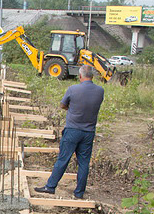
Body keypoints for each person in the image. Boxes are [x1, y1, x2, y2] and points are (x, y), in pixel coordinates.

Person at [34, 65, 105, 200]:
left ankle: (50, 186)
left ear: (80, 76)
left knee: (63, 159)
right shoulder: (100, 91)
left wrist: (71, 108)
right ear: (93, 76)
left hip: (73, 130)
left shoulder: (73, 89)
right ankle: (79, 193)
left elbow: (62, 105)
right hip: (89, 132)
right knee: (84, 162)